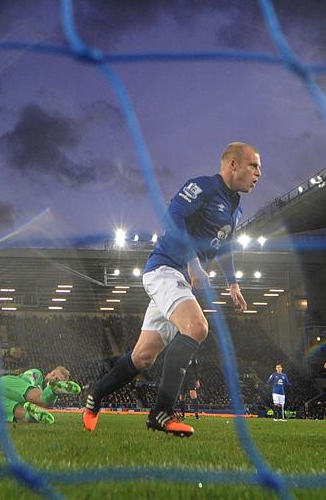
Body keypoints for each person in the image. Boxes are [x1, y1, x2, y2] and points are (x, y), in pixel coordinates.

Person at [84, 142, 261, 436]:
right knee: (197, 327)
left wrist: (233, 284)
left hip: (177, 279)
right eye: (254, 166)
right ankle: (162, 413)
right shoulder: (202, 187)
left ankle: (96, 395)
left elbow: (225, 247)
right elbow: (172, 215)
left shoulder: (236, 208)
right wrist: (192, 261)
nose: (258, 173)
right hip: (165, 269)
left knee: (143, 357)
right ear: (233, 164)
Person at [0, 367, 81, 424]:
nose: (53, 378)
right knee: (42, 399)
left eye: (57, 379)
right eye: (53, 375)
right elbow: (27, 382)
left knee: (28, 416)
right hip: (4, 385)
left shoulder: (48, 399)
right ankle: (54, 389)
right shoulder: (37, 374)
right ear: (47, 374)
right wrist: (40, 394)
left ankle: (34, 416)